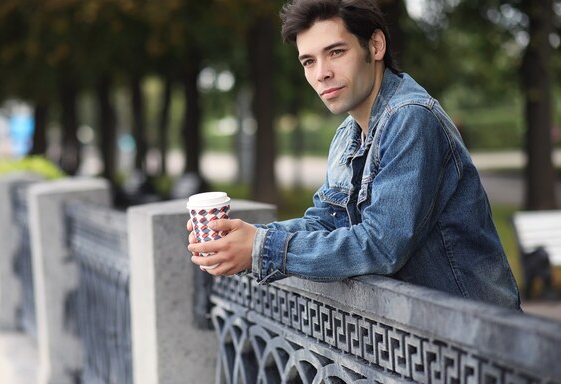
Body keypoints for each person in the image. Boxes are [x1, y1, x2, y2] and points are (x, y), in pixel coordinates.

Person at [187, 0, 520, 309]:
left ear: (375, 46)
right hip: (423, 336)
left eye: (335, 52)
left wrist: (263, 249)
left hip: (478, 338)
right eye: (309, 61)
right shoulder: (348, 134)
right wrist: (247, 238)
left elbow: (382, 245)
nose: (321, 73)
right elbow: (325, 223)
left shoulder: (411, 118)